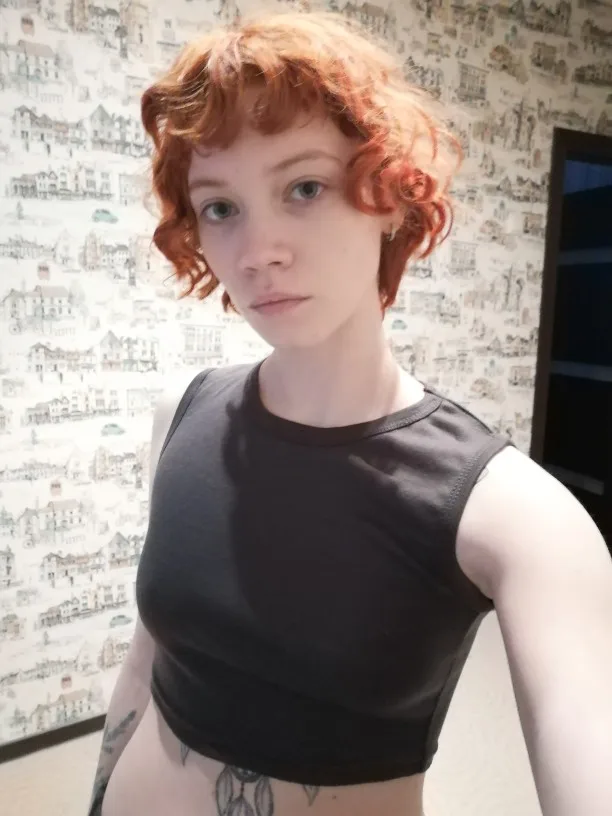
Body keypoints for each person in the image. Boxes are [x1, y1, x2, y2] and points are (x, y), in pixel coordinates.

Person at [89, 10, 612, 816]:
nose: (258, 251)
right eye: (221, 207)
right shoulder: (182, 413)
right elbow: (144, 665)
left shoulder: (511, 512)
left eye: (304, 188)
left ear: (391, 199)